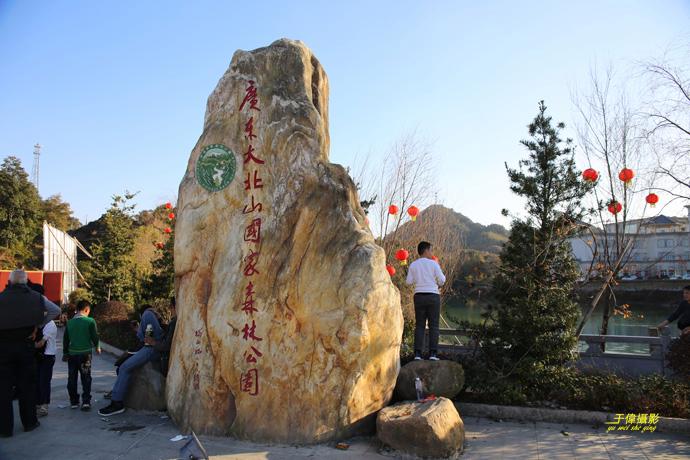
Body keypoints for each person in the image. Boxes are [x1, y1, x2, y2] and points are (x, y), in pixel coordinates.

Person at [0, 269, 60, 437]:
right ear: (25, 282)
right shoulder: (37, 297)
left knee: (3, 389)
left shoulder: (1, 298)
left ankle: (4, 428)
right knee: (27, 386)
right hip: (26, 346)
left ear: (10, 281)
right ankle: (29, 422)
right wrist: (38, 325)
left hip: (3, 348)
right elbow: (55, 310)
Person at [99, 303, 163, 416]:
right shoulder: (152, 317)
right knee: (124, 367)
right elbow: (149, 331)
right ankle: (116, 398)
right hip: (151, 349)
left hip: (149, 349)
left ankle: (117, 402)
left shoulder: (147, 314)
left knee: (124, 368)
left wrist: (141, 335)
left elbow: (148, 338)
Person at [406, 241, 446, 361]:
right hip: (433, 296)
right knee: (434, 325)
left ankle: (418, 354)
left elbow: (408, 282)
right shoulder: (434, 264)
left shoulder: (413, 265)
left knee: (419, 325)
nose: (431, 252)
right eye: (431, 250)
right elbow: (442, 280)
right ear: (426, 250)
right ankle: (433, 354)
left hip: (419, 296)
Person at [63, 300, 101, 411]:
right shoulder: (90, 321)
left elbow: (65, 340)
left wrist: (65, 353)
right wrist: (97, 346)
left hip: (72, 354)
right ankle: (86, 402)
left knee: (72, 378)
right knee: (86, 378)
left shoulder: (69, 322)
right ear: (86, 310)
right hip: (85, 354)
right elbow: (95, 336)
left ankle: (74, 401)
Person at [145, 297, 177, 376]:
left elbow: (166, 345)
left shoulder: (175, 321)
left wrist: (152, 342)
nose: (169, 309)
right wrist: (159, 319)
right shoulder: (176, 321)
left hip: (166, 361)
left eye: (171, 306)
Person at [35, 318, 57, 417]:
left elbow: (41, 343)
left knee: (44, 381)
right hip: (38, 356)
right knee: (38, 380)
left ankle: (44, 406)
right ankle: (38, 403)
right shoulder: (38, 323)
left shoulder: (50, 324)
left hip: (48, 356)